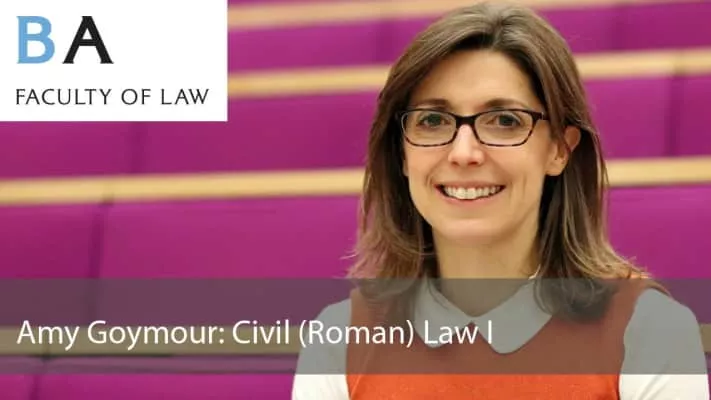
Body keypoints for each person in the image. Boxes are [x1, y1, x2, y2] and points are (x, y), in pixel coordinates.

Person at [291, 2, 709, 399]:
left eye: (505, 121)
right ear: (401, 152)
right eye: (433, 120)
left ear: (559, 149)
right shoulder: (340, 342)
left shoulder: (650, 332)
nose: (464, 153)